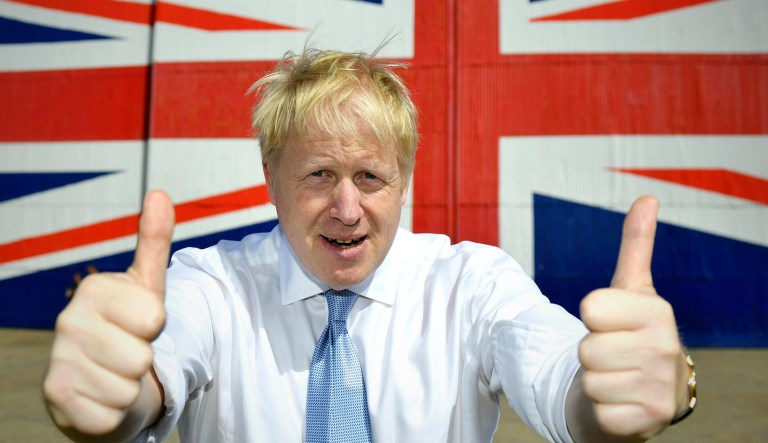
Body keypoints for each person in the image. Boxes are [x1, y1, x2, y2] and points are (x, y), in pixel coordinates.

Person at [42, 47, 695, 443]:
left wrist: (603, 404)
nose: (347, 209)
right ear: (270, 179)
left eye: (370, 176)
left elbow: (558, 379)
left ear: (404, 180)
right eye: (319, 174)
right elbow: (155, 369)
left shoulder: (473, 284)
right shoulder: (211, 284)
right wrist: (119, 399)